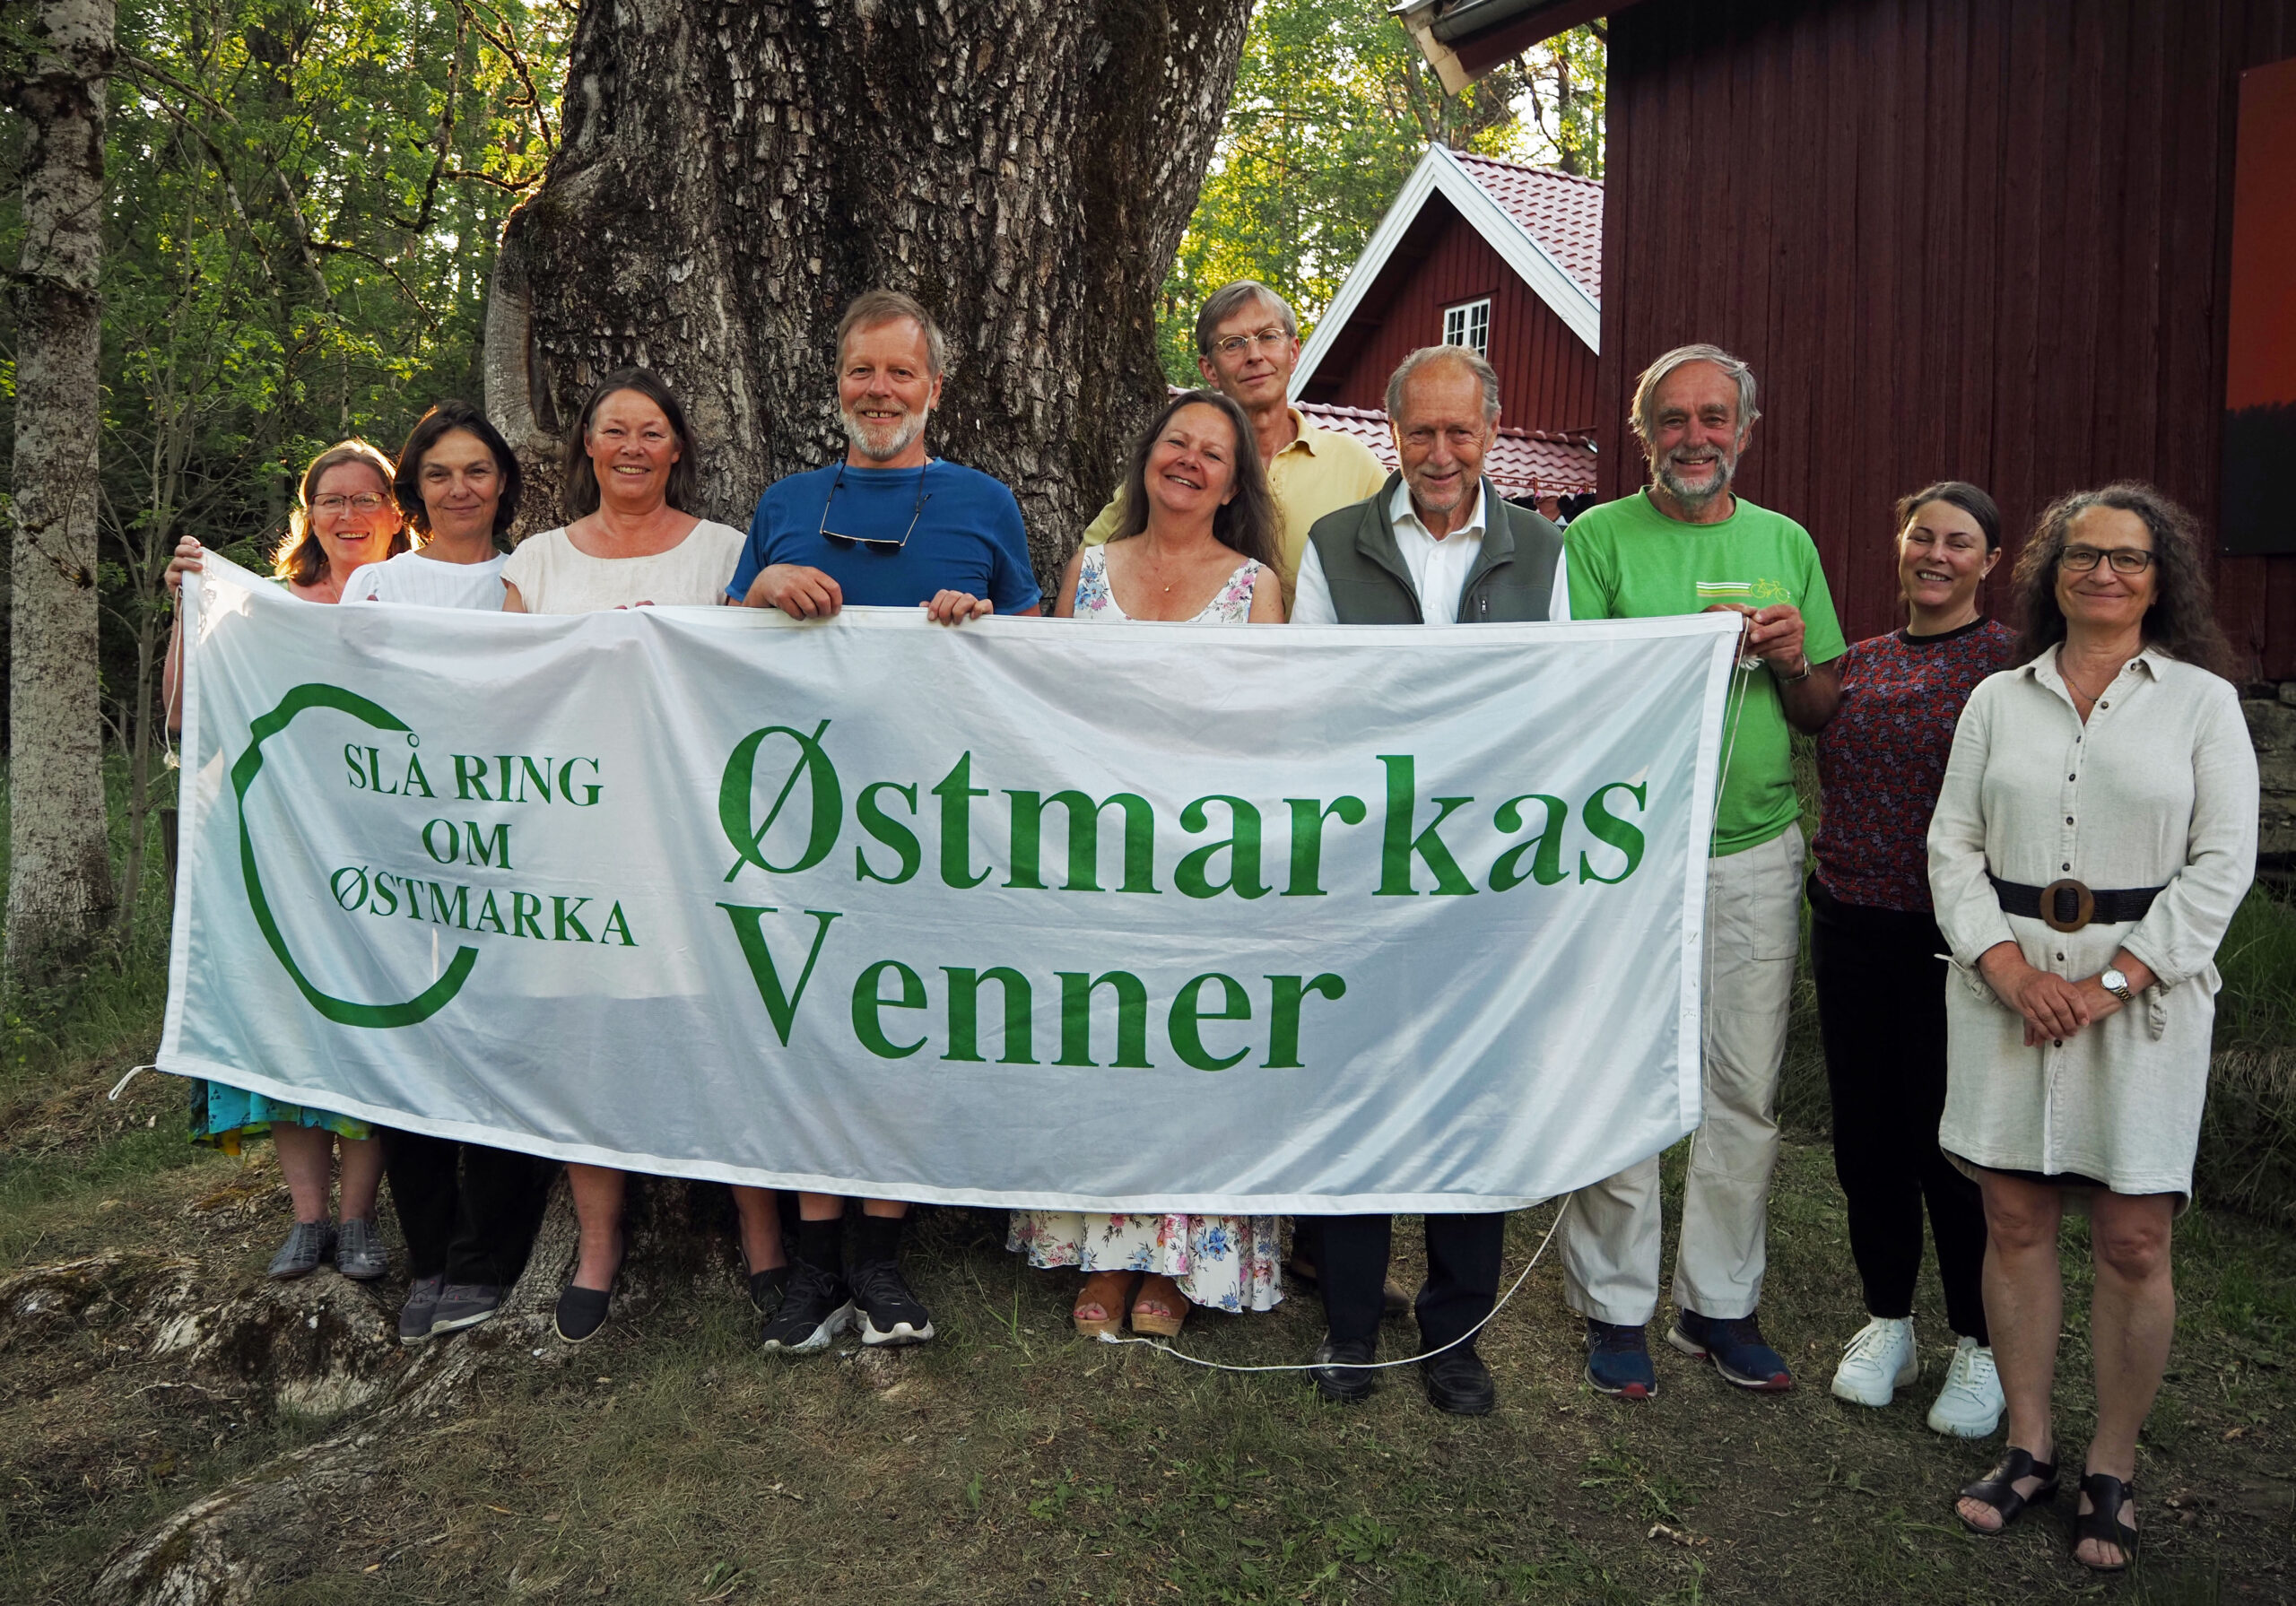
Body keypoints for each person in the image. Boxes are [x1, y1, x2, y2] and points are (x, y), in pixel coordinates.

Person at [1934, 484, 2256, 1574]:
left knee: (2133, 1236)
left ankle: (2109, 1465)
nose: (2102, 575)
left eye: (2126, 558)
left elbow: (2220, 868)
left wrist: (2113, 981)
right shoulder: (1998, 700)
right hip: (2007, 991)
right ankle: (2027, 1448)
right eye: (2082, 556)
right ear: (2050, 571)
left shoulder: (2202, 704)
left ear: (2160, 576)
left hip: (2146, 1001)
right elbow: (1952, 847)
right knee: (2014, 1219)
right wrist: (2011, 967)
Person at [731, 288, 1040, 1352]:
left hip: (934, 825)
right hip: (801, 820)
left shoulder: (985, 505)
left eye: (900, 373)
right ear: (837, 384)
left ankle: (881, 1254)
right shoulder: (780, 503)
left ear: (934, 389)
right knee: (812, 1022)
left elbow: (1039, 669)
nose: (879, 390)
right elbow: (715, 656)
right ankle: (814, 1265)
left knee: (906, 1024)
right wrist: (762, 583)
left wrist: (980, 621)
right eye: (862, 371)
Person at [1559, 343, 1846, 1402]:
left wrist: (1784, 657)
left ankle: (1718, 1305)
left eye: (1713, 418)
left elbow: (1818, 712)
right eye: (1671, 419)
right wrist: (1676, 647)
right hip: (1628, 855)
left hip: (1752, 849)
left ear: (1745, 431)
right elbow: (1572, 695)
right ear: (1642, 434)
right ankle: (1615, 1306)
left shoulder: (1785, 542)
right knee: (1625, 1071)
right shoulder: (1594, 541)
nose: (1693, 437)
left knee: (1743, 1085)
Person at [1288, 343, 1568, 1418]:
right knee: (1359, 1085)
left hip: (1489, 876)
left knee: (1470, 1099)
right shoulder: (1334, 543)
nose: (1440, 453)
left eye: (1460, 432)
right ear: (1391, 437)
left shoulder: (1544, 549)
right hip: (1364, 861)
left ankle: (1456, 1335)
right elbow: (1314, 701)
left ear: (1491, 435)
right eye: (1421, 432)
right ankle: (1353, 1326)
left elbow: (1560, 707)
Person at [499, 368, 770, 1344]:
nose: (631, 448)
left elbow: (754, 694)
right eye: (614, 431)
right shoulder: (533, 565)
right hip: (576, 841)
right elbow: (502, 699)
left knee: (723, 1031)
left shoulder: (729, 556)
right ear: (586, 446)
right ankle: (600, 1248)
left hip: (694, 838)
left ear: (678, 449)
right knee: (591, 1047)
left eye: (652, 432)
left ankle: (762, 1235)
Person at [1008, 388, 1284, 1338]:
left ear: (1233, 482)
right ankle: (1107, 1251)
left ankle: (1179, 1261)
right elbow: (1041, 706)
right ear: (1147, 457)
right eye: (1176, 442)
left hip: (1203, 867)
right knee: (1102, 1058)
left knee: (1193, 1060)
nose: (1190, 461)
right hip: (1093, 858)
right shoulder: (1088, 568)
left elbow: (1268, 746)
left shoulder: (1257, 587)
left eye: (1213, 453)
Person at [160, 440, 411, 1282]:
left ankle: (359, 1220)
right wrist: (187, 613)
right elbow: (187, 716)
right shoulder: (263, 610)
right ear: (310, 514)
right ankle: (308, 1221)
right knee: (291, 1028)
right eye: (330, 500)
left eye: (365, 498)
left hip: (387, 857)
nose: (348, 515)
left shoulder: (421, 605)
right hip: (276, 847)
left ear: (394, 512)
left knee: (373, 1028)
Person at [1809, 482, 2015, 1435]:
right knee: (1867, 1141)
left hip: (1956, 944)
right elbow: (1805, 713)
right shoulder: (1859, 661)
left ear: (1990, 562)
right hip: (1851, 926)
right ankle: (1887, 1320)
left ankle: (1981, 1346)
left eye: (1959, 542)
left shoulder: (2010, 667)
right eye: (1922, 536)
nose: (1936, 554)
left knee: (1952, 1147)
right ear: (1900, 547)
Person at [352, 400, 554, 1341]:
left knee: (503, 1045)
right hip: (401, 847)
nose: (460, 488)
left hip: (514, 844)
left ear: (503, 480)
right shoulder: (377, 587)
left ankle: (489, 1257)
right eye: (439, 474)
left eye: (477, 471)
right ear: (414, 488)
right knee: (412, 1047)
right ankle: (430, 1256)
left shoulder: (535, 578)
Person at [1077, 280, 1386, 611]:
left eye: (1268, 336)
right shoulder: (1179, 473)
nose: (1254, 355)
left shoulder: (1354, 464)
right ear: (1209, 369)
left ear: (1293, 351)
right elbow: (1091, 571)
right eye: (1233, 344)